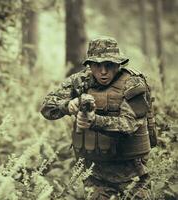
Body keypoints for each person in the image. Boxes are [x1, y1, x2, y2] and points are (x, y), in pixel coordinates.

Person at [40, 37, 157, 199]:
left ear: (118, 64)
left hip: (130, 174)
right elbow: (46, 107)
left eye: (109, 65)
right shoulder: (81, 80)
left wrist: (93, 121)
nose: (103, 71)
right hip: (94, 174)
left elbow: (128, 125)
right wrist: (67, 105)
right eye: (97, 65)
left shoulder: (133, 84)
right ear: (90, 65)